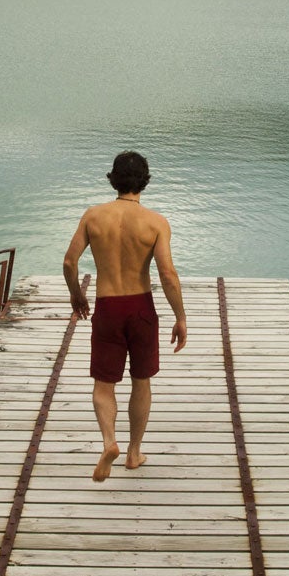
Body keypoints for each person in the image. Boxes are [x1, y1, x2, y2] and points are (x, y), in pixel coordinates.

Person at [62, 151, 188, 482]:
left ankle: (108, 442)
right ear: (144, 181)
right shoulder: (156, 222)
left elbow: (69, 262)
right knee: (141, 381)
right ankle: (134, 453)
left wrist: (77, 295)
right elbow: (168, 274)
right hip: (141, 308)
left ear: (113, 178)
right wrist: (180, 317)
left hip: (107, 306)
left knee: (104, 385)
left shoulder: (93, 216)